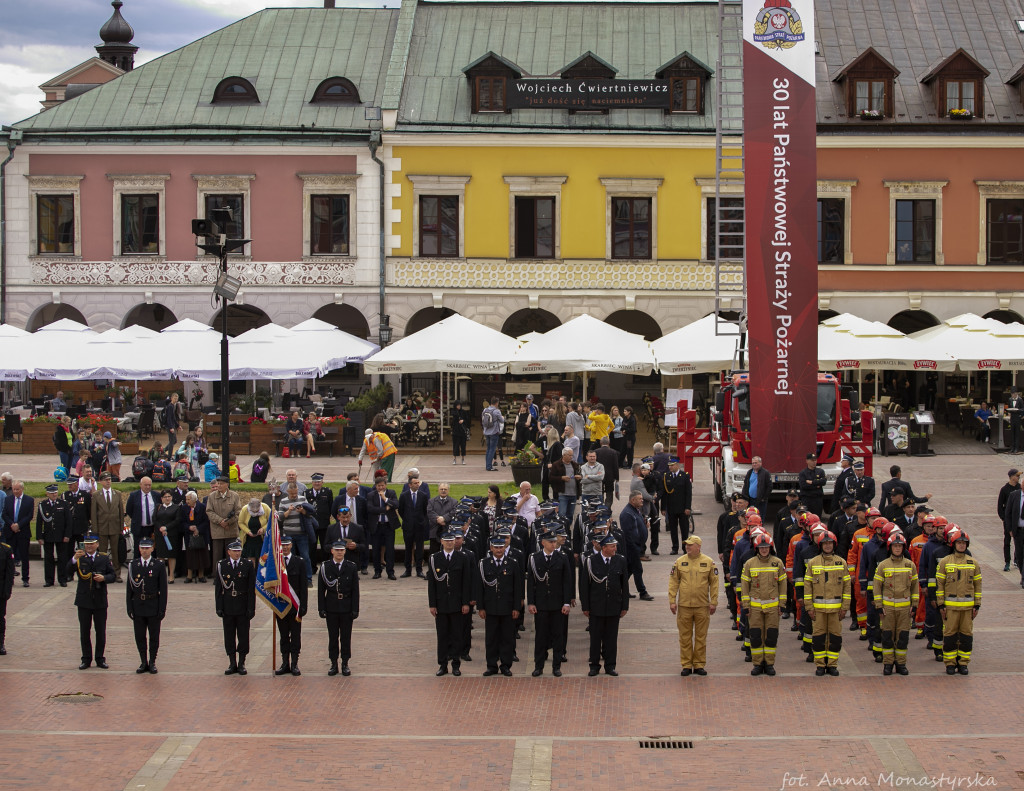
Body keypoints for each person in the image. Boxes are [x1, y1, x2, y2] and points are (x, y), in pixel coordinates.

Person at [668, 534, 718, 676]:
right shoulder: (680, 562)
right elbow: (673, 582)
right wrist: (672, 601)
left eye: (690, 545)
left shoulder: (708, 562)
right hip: (684, 606)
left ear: (698, 547)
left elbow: (714, 584)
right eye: (686, 545)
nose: (687, 547)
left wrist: (713, 602)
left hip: (702, 606)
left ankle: (699, 664)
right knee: (685, 637)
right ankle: (686, 664)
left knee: (701, 637)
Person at [579, 534, 629, 676]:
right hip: (596, 606)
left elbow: (624, 585)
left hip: (614, 606)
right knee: (595, 638)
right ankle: (594, 666)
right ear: (604, 547)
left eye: (615, 546)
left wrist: (625, 605)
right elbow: (585, 586)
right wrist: (586, 606)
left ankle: (610, 665)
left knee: (611, 638)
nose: (615, 548)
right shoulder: (591, 561)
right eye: (612, 546)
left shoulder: (620, 560)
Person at [803, 530, 851, 676]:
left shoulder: (841, 562)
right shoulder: (813, 563)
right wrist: (809, 608)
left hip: (836, 611)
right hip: (818, 611)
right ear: (820, 545)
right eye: (825, 543)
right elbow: (807, 587)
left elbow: (847, 587)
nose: (828, 546)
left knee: (835, 638)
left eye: (830, 543)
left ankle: (832, 665)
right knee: (818, 638)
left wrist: (845, 608)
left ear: (834, 544)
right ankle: (820, 665)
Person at [526, 530, 573, 677]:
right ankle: (538, 666)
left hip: (557, 604)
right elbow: (531, 583)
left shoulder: (562, 558)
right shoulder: (534, 558)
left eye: (554, 542)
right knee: (541, 636)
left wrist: (566, 602)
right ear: (543, 543)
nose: (554, 544)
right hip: (541, 604)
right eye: (551, 542)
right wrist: (531, 602)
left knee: (558, 636)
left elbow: (567, 581)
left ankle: (556, 666)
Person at [871, 532, 918, 676]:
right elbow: (877, 586)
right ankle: (888, 664)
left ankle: (901, 664)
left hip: (904, 609)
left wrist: (914, 604)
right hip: (888, 609)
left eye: (900, 546)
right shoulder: (883, 565)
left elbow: (915, 587)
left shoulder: (910, 565)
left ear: (904, 548)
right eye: (895, 546)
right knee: (887, 637)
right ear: (889, 547)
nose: (897, 549)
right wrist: (879, 606)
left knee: (902, 637)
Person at [427, 529, 473, 676]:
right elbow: (432, 584)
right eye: (446, 540)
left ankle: (455, 664)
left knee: (456, 635)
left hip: (456, 603)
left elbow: (466, 582)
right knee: (442, 636)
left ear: (455, 541)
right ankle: (442, 664)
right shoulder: (435, 558)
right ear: (441, 542)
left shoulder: (462, 558)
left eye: (451, 540)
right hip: (441, 604)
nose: (449, 543)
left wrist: (465, 603)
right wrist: (432, 604)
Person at [478, 534, 524, 677]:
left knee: (507, 638)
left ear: (505, 547)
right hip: (491, 607)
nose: (499, 550)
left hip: (507, 608)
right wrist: (481, 607)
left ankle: (506, 665)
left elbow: (518, 587)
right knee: (491, 638)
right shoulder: (484, 563)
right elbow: (480, 587)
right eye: (496, 547)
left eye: (501, 547)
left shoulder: (513, 563)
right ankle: (491, 665)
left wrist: (517, 607)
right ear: (491, 548)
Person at [936, 528, 981, 675]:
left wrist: (977, 604)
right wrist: (941, 604)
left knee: (966, 636)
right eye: (959, 543)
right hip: (950, 608)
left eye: (964, 543)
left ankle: (963, 663)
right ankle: (950, 663)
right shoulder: (945, 562)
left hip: (968, 608)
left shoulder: (973, 563)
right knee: (949, 636)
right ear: (953, 544)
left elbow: (977, 585)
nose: (962, 545)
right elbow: (940, 585)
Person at [741, 532, 786, 676]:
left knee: (771, 636)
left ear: (770, 547)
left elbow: (783, 584)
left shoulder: (777, 563)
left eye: (766, 547)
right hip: (755, 608)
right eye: (761, 547)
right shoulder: (749, 564)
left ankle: (769, 664)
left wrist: (782, 604)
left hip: (773, 607)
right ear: (756, 548)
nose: (764, 549)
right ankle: (757, 664)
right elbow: (745, 586)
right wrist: (746, 605)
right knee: (755, 636)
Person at [68, 534, 116, 669]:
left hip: (100, 600)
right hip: (84, 600)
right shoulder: (80, 558)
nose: (89, 546)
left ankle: (100, 658)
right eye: (86, 544)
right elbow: (66, 571)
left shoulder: (104, 558)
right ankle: (86, 659)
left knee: (100, 631)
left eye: (91, 544)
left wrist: (104, 578)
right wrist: (73, 559)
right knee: (84, 631)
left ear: (97, 544)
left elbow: (113, 575)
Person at [125, 537, 167, 674]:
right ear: (139, 549)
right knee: (140, 636)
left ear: (152, 549)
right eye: (142, 548)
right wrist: (129, 607)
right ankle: (143, 661)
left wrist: (162, 609)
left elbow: (163, 590)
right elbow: (129, 589)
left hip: (153, 604)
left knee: (154, 636)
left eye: (147, 548)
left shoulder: (158, 565)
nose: (144, 550)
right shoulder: (134, 565)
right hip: (138, 605)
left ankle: (152, 661)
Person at [318, 539, 360, 676]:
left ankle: (345, 663)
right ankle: (333, 663)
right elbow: (321, 590)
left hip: (346, 607)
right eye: (337, 550)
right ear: (332, 551)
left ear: (345, 551)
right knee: (333, 637)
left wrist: (355, 609)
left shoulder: (351, 567)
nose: (339, 552)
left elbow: (355, 590)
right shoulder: (325, 567)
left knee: (346, 637)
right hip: (331, 607)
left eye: (341, 550)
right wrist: (321, 608)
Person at [215, 539, 256, 675]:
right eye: (234, 551)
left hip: (242, 604)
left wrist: (251, 608)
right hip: (228, 605)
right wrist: (219, 607)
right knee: (229, 634)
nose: (237, 553)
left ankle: (242, 662)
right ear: (229, 552)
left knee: (243, 635)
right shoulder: (222, 565)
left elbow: (251, 589)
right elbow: (219, 589)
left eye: (239, 551)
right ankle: (232, 662)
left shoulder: (247, 565)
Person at [274, 535, 308, 676]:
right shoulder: (275, 564)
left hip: (295, 607)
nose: (285, 547)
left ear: (291, 545)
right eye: (283, 545)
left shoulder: (299, 562)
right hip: (281, 606)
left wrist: (304, 606)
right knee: (283, 636)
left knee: (295, 636)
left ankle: (294, 663)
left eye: (288, 545)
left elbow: (303, 587)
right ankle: (284, 663)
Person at [618, 491, 653, 601]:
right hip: (631, 547)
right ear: (632, 500)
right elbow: (628, 534)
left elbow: (637, 526)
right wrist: (634, 547)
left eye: (642, 498)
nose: (642, 500)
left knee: (629, 570)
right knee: (638, 569)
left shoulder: (636, 511)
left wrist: (644, 524)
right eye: (639, 499)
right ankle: (643, 592)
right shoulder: (627, 514)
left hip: (637, 546)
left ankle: (621, 589)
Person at [278, 482, 314, 586]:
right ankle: (290, 578)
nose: (294, 495)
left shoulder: (302, 499)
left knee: (305, 556)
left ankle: (308, 579)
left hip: (301, 533)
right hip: (288, 534)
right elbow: (280, 517)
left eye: (295, 493)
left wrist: (302, 511)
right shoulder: (283, 501)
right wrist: (288, 511)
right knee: (289, 557)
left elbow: (310, 513)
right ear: (287, 492)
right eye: (292, 493)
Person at [88, 473, 123, 581]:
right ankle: (102, 573)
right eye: (106, 480)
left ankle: (117, 574)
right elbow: (93, 514)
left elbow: (121, 512)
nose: (108, 481)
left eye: (109, 479)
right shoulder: (96, 495)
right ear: (101, 482)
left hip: (115, 527)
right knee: (102, 552)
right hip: (102, 527)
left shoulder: (117, 494)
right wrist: (95, 529)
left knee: (115, 551)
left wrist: (121, 527)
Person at [36, 483, 71, 587]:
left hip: (61, 535)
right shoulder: (43, 505)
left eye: (55, 492)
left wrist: (67, 535)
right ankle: (49, 580)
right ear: (47, 494)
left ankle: (62, 579)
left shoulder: (63, 504)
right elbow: (39, 523)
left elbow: (68, 522)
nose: (54, 494)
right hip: (48, 535)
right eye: (52, 493)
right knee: (48, 558)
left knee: (62, 558)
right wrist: (39, 537)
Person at [366, 475, 399, 580]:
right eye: (378, 486)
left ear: (386, 485)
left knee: (390, 549)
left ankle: (390, 572)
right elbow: (371, 508)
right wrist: (385, 509)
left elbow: (396, 504)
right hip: (377, 526)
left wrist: (385, 499)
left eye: (382, 485)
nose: (380, 488)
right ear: (375, 486)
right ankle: (377, 571)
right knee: (376, 549)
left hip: (389, 526)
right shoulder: (371, 495)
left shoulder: (391, 493)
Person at [3, 482, 34, 587]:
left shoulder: (29, 500)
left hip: (23, 532)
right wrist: (12, 524)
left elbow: (29, 515)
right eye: (14, 489)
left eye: (17, 489)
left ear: (22, 489)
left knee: (24, 556)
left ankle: (25, 579)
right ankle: (10, 578)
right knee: (10, 557)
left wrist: (18, 525)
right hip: (10, 533)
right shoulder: (8, 500)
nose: (15, 491)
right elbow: (4, 514)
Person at [206, 476, 240, 572]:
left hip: (231, 531)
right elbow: (209, 511)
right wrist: (220, 521)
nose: (219, 485)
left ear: (227, 485)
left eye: (221, 484)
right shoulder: (212, 496)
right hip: (217, 531)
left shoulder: (234, 496)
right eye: (218, 483)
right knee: (217, 556)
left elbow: (238, 512)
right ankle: (217, 576)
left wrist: (228, 522)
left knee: (231, 555)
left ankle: (232, 574)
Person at [399, 477, 430, 578]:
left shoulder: (423, 495)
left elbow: (425, 510)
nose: (417, 485)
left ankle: (419, 570)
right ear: (410, 485)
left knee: (419, 548)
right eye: (415, 483)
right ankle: (408, 570)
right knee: (408, 548)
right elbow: (401, 510)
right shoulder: (404, 496)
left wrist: (422, 521)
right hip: (408, 526)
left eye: (418, 483)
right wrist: (408, 520)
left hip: (419, 526)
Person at [660, 459, 692, 555]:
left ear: (677, 465)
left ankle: (684, 548)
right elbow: (664, 493)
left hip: (682, 508)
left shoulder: (685, 476)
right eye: (669, 465)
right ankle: (675, 548)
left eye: (672, 465)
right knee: (673, 529)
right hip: (671, 508)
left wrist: (688, 507)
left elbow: (688, 493)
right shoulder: (666, 476)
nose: (670, 467)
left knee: (684, 529)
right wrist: (663, 508)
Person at [152, 489, 182, 583]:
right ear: (161, 498)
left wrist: (166, 528)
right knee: (160, 555)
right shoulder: (158, 507)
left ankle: (171, 575)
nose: (167, 498)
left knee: (171, 555)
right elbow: (154, 519)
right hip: (160, 534)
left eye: (169, 496)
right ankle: (162, 575)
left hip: (171, 534)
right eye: (165, 497)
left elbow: (177, 520)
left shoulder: (176, 507)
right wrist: (161, 528)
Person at [305, 473, 334, 568]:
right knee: (311, 546)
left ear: (322, 482)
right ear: (312, 483)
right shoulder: (307, 493)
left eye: (319, 482)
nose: (317, 484)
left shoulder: (327, 492)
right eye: (315, 482)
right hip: (311, 524)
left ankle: (325, 566)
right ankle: (312, 567)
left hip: (324, 524)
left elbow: (331, 507)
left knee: (325, 546)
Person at [182, 491, 210, 583]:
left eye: (189, 499)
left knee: (201, 555)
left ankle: (201, 575)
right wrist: (189, 527)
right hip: (189, 535)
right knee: (190, 555)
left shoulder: (202, 507)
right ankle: (189, 575)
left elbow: (206, 521)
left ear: (194, 500)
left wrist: (198, 529)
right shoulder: (184, 508)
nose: (187, 501)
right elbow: (182, 521)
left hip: (201, 535)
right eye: (186, 499)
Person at [62, 475, 92, 559]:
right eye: (68, 484)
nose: (69, 486)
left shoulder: (85, 495)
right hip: (70, 530)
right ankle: (70, 569)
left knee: (82, 551)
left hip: (81, 529)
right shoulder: (65, 495)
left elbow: (89, 511)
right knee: (68, 552)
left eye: (71, 484)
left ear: (77, 484)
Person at [998, 468, 1021, 572]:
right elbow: (1000, 506)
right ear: (1011, 477)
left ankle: (1017, 559)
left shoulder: (1020, 488)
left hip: (1018, 520)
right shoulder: (1004, 489)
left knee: (1019, 541)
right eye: (1017, 475)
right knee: (1007, 540)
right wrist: (1004, 518)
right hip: (1008, 520)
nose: (1018, 477)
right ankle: (1007, 561)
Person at [427, 483, 457, 557]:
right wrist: (438, 519)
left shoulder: (454, 502)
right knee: (434, 553)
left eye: (445, 489)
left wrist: (444, 518)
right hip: (434, 531)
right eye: (441, 489)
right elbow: (429, 512)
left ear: (448, 490)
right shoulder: (432, 501)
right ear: (438, 490)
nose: (443, 491)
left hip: (447, 530)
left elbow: (454, 512)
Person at [551, 447, 581, 520]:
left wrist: (579, 477)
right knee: (562, 514)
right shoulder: (556, 465)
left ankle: (568, 530)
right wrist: (561, 478)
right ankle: (562, 529)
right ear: (564, 455)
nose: (571, 457)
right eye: (569, 455)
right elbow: (551, 478)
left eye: (572, 455)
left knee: (570, 515)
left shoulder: (575, 465)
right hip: (562, 494)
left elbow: (581, 475)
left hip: (573, 494)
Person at [238, 498, 270, 563]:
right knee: (250, 558)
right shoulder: (244, 509)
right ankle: (252, 572)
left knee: (262, 558)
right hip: (249, 538)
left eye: (257, 511)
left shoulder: (266, 508)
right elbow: (240, 522)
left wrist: (263, 529)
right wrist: (248, 531)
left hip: (262, 538)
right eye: (253, 511)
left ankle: (260, 572)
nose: (255, 512)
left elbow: (271, 521)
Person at [594, 436, 620, 509]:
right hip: (610, 477)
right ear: (609, 443)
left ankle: (600, 508)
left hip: (599, 476)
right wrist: (617, 478)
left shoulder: (596, 451)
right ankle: (607, 509)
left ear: (600, 442)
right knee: (609, 493)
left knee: (600, 493)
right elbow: (615, 466)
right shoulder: (613, 452)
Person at [481, 398, 505, 472]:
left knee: (488, 449)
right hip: (494, 432)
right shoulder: (497, 411)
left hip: (486, 432)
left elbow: (482, 419)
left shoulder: (485, 410)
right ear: (497, 403)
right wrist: (503, 417)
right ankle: (489, 466)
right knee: (492, 449)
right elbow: (502, 421)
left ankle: (487, 465)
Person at [0, 529, 13, 655]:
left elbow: (9, 574)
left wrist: (7, 592)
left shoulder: (6, 550)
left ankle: (0, 644)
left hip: (1, 592)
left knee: (0, 618)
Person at [450, 400, 470, 465]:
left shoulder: (463, 412)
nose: (459, 406)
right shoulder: (453, 411)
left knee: (463, 445)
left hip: (462, 431)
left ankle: (463, 459)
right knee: (455, 445)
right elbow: (453, 420)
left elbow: (467, 420)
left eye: (459, 405)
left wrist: (463, 420)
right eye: (457, 405)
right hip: (455, 431)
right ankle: (454, 459)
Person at [1007, 388, 1023, 454]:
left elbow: (1022, 408)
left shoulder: (1020, 400)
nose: (1012, 395)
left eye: (1013, 394)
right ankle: (1012, 448)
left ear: (1016, 393)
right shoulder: (1010, 399)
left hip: (1017, 418)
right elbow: (1008, 407)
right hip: (1012, 417)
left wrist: (1018, 410)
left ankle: (1016, 448)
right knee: (1012, 433)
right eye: (1011, 394)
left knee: (1017, 433)